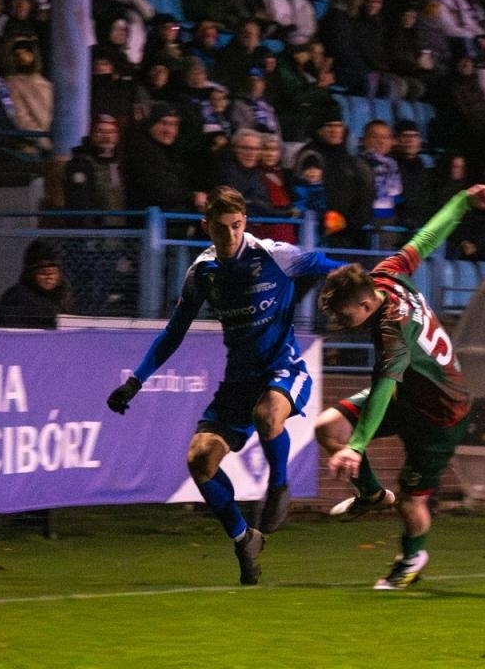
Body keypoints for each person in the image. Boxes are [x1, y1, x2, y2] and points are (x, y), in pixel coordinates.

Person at [104, 188, 343, 585]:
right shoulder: (202, 272)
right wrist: (135, 381)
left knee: (268, 415)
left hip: (283, 369)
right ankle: (244, 538)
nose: (230, 235)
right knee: (200, 460)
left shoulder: (273, 255)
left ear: (245, 223)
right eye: (221, 228)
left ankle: (278, 486)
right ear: (206, 227)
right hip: (238, 380)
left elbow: (326, 264)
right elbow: (173, 333)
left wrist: (368, 282)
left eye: (236, 226)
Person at [314, 183, 485, 590]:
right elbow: (426, 237)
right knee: (327, 428)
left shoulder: (391, 330)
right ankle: (370, 496)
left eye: (345, 318)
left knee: (412, 497)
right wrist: (462, 201)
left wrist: (358, 446)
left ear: (365, 306)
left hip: (440, 413)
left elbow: (382, 388)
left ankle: (412, 557)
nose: (342, 326)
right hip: (409, 395)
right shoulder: (386, 274)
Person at [0, 240, 72, 329]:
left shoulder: (63, 294)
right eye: (43, 273)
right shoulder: (16, 298)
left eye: (53, 272)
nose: (49, 278)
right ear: (31, 273)